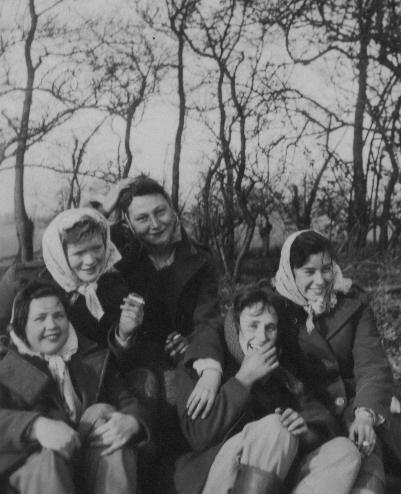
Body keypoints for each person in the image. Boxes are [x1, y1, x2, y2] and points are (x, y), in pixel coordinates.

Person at [173, 285, 361, 494]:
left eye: (270, 328)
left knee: (345, 451)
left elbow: (320, 416)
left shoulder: (280, 370)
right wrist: (243, 380)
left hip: (268, 481)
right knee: (275, 427)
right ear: (236, 328)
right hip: (212, 476)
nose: (262, 337)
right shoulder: (205, 363)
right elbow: (198, 436)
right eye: (253, 326)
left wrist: (304, 429)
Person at [272, 229, 398, 494]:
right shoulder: (276, 308)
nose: (321, 280)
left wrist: (365, 414)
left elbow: (371, 364)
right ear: (291, 272)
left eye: (326, 269)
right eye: (309, 271)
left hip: (354, 408)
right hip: (308, 416)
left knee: (369, 471)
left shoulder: (352, 301)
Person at [0, 280, 151, 494]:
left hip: (87, 462)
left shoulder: (88, 354)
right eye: (40, 318)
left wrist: (132, 421)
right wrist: (36, 426)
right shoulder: (9, 366)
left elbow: (126, 399)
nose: (52, 326)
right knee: (47, 459)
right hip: (38, 472)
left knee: (105, 418)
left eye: (58, 316)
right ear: (22, 326)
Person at [95, 176, 224, 420]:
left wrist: (193, 348)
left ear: (173, 211)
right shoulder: (118, 259)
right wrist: (103, 209)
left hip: (188, 361)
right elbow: (73, 243)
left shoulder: (201, 259)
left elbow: (208, 319)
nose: (155, 224)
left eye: (160, 212)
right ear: (129, 224)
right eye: (142, 218)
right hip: (134, 364)